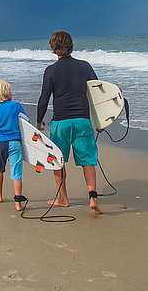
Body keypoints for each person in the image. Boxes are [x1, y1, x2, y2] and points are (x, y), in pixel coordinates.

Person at [37, 31, 102, 214]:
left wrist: (39, 119)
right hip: (82, 120)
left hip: (61, 123)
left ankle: (63, 198)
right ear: (71, 45)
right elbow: (97, 93)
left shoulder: (51, 70)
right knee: (88, 160)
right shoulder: (85, 67)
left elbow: (44, 99)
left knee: (58, 161)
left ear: (53, 47)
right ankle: (93, 197)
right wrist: (100, 120)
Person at [0, 80, 29, 211]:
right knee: (16, 172)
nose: (11, 93)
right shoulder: (16, 106)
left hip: (0, 144)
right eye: (10, 91)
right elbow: (26, 121)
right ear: (5, 93)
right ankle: (18, 203)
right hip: (15, 143)